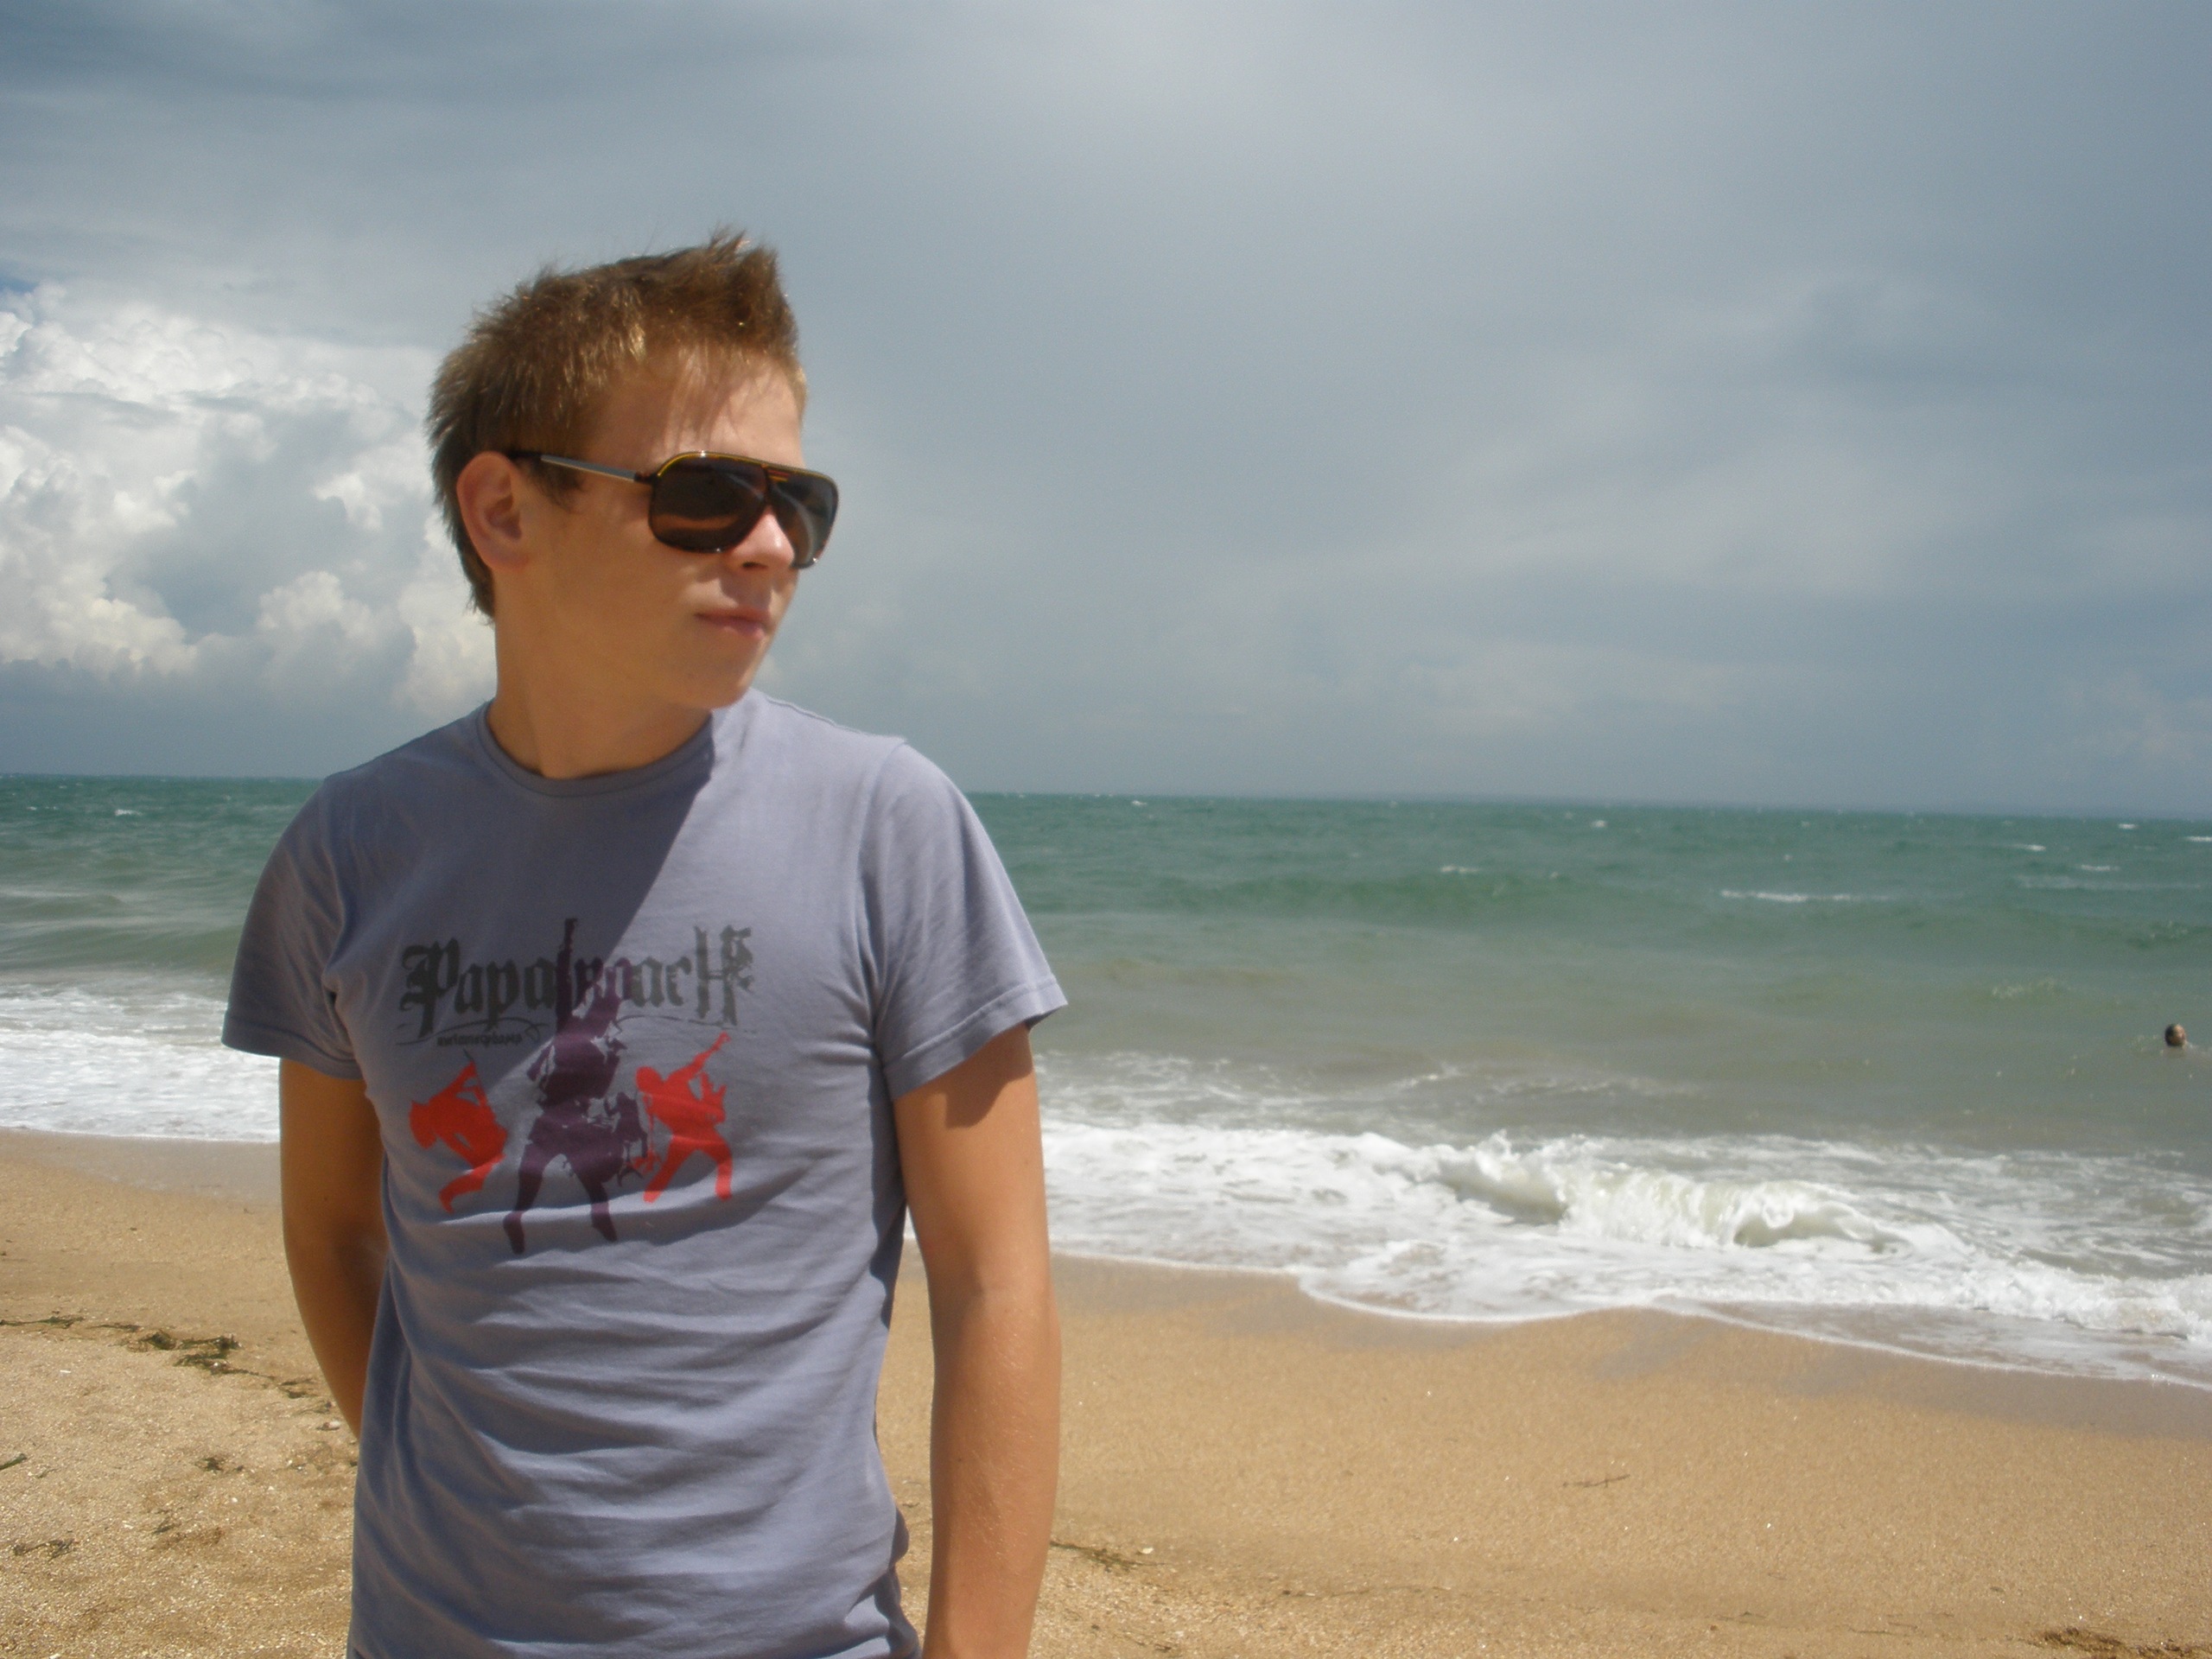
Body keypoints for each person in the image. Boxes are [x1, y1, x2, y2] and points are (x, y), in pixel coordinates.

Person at [224, 234, 1065, 1659]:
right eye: (706, 495)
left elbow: (998, 1286)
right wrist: (463, 1506)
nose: (771, 546)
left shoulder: (887, 825)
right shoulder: (349, 852)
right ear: (505, 510)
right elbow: (334, 1229)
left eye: (799, 504)